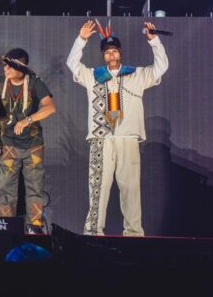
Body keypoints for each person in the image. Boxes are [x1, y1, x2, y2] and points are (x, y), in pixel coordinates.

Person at [66, 20, 168, 236]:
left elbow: (161, 67)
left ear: (119, 53)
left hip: (128, 139)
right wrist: (81, 40)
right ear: (103, 55)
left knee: (131, 189)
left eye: (114, 51)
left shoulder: (136, 74)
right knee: (98, 189)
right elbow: (73, 64)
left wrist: (154, 41)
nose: (111, 55)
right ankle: (93, 232)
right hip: (101, 139)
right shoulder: (93, 75)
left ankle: (133, 233)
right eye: (107, 52)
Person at [0, 49, 56, 234]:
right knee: (5, 187)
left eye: (10, 65)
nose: (6, 69)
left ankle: (35, 227)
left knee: (35, 186)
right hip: (9, 143)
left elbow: (50, 108)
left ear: (22, 67)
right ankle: (5, 226)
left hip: (33, 144)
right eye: (5, 65)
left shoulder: (35, 82)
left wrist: (28, 120)